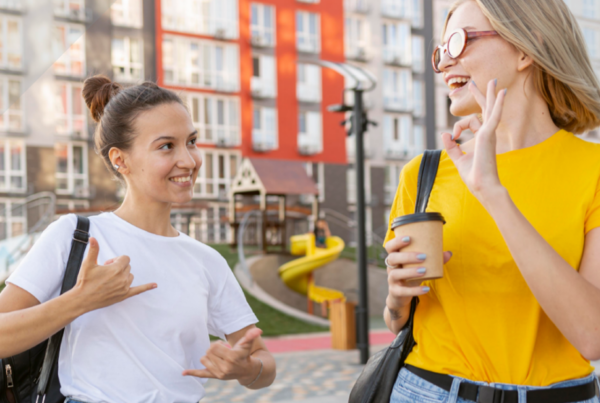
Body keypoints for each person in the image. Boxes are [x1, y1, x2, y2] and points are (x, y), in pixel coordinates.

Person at [0, 76, 275, 403]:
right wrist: (81, 300)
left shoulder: (207, 260)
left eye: (191, 141)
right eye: (166, 146)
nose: (188, 160)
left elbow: (263, 361)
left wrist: (245, 369)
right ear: (120, 160)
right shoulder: (76, 235)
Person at [384, 1, 600, 402]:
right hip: (426, 390)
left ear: (525, 50)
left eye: (458, 41)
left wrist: (492, 194)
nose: (445, 62)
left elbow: (594, 335)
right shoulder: (423, 174)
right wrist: (397, 297)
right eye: (441, 51)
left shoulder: (594, 169)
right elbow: (397, 320)